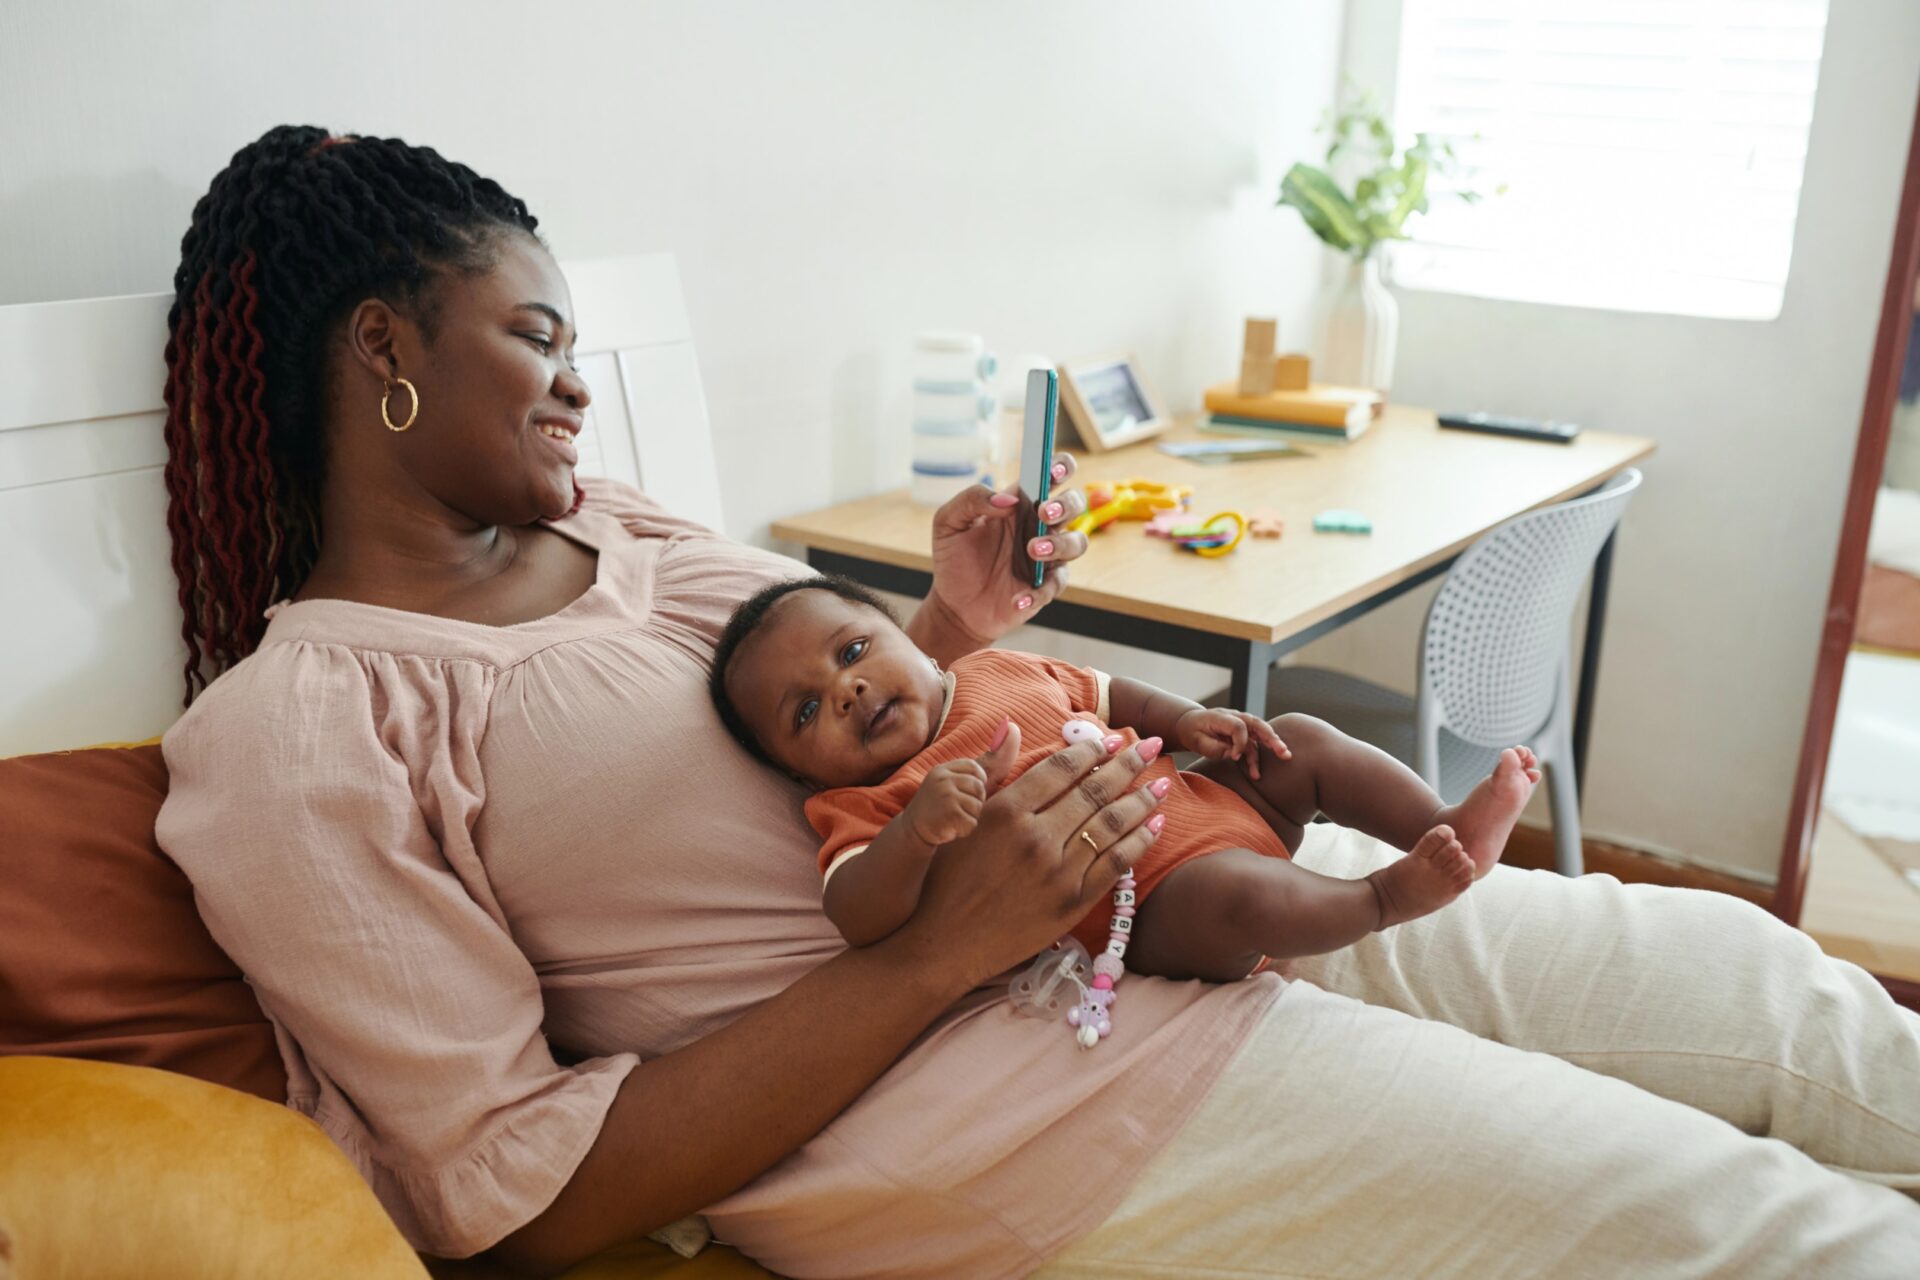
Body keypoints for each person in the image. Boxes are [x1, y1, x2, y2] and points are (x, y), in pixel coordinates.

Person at [152, 125, 1920, 1279]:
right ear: (383, 352)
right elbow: (505, 1196)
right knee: (1760, 1231)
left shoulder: (629, 531)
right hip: (1047, 1102)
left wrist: (951, 626)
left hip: (1179, 901)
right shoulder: (297, 737)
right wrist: (934, 953)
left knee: (1762, 991)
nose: (575, 391)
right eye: (538, 339)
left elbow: (814, 736)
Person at [710, 575, 1537, 991]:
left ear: (909, 640)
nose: (846, 690)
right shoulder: (864, 804)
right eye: (806, 710)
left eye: (852, 652)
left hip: (1207, 802)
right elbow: (855, 912)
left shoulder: (998, 667)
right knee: (1242, 898)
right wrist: (914, 834)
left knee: (1301, 743)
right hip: (1152, 902)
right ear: (797, 770)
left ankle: (1447, 821)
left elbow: (1109, 694)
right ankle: (1385, 898)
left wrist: (1186, 723)